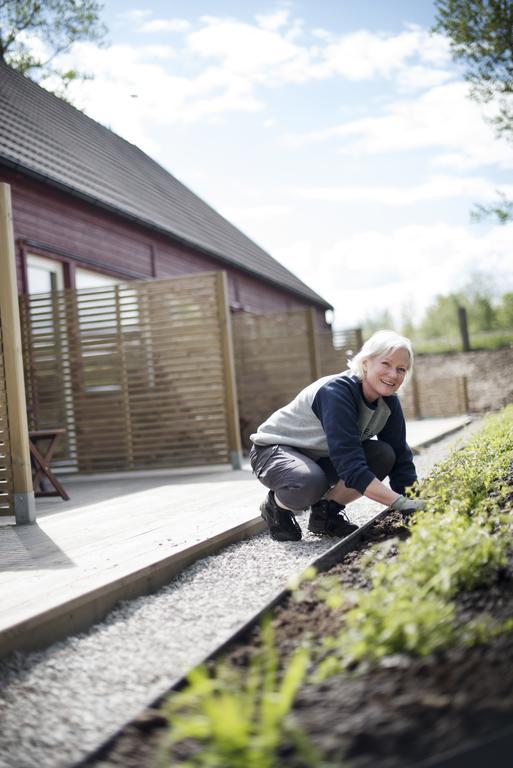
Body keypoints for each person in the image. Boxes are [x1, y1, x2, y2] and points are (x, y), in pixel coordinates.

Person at [249, 329, 425, 541]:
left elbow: (400, 456)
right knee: (310, 481)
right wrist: (401, 505)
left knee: (384, 455)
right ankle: (275, 507)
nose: (393, 375)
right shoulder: (336, 393)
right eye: (386, 364)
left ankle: (325, 513)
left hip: (319, 456)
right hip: (274, 450)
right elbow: (351, 465)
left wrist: (415, 501)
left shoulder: (388, 402)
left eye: (401, 369)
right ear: (366, 362)